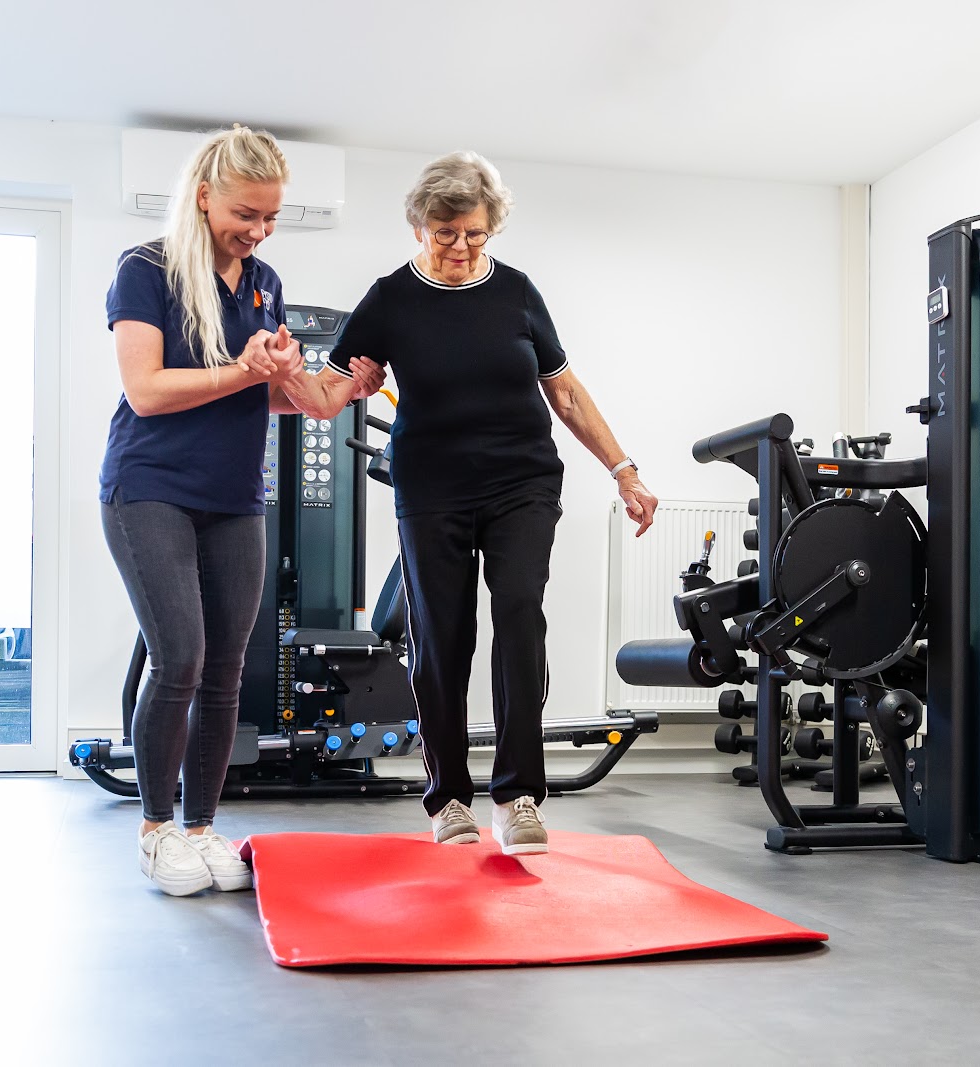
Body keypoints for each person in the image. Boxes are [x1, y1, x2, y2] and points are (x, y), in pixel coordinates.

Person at [278, 151, 659, 856]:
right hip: (432, 486)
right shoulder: (391, 298)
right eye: (444, 232)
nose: (459, 247)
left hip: (523, 481)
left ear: (492, 228)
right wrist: (296, 375)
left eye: (474, 234)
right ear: (420, 225)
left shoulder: (516, 292)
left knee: (520, 614)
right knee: (442, 635)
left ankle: (517, 797)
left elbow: (566, 393)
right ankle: (450, 796)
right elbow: (327, 395)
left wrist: (624, 469)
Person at [100, 126, 385, 896]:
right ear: (203, 195)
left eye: (268, 217)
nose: (256, 230)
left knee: (226, 670)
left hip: (234, 496)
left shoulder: (263, 282)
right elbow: (148, 391)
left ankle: (201, 828)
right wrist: (242, 370)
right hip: (149, 488)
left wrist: (339, 389)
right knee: (181, 659)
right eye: (244, 213)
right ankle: (157, 829)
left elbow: (283, 394)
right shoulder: (146, 268)